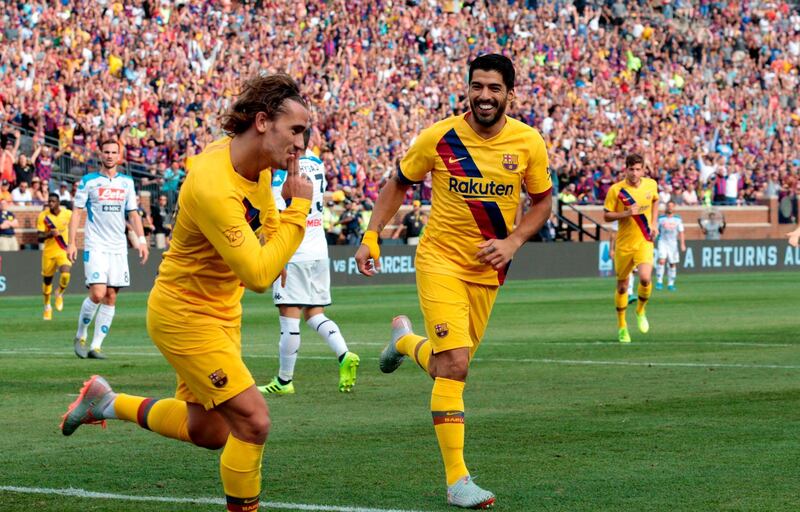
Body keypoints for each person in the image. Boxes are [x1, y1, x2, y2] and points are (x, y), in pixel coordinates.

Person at [60, 73, 313, 512]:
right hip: (185, 315)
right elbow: (256, 274)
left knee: (209, 432)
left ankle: (106, 401)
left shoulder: (254, 166)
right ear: (261, 122)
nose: (302, 144)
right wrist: (301, 210)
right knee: (254, 420)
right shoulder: (214, 183)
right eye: (295, 130)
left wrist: (281, 237)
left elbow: (266, 216)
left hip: (220, 312)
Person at [355, 54, 552, 509]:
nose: (484, 96)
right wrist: (371, 236)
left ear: (509, 94)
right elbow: (398, 183)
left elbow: (543, 202)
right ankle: (457, 480)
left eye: (494, 88)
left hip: (489, 270)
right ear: (467, 88)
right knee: (457, 367)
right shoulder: (439, 137)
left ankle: (404, 341)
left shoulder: (527, 142)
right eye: (477, 86)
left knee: (447, 368)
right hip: (440, 261)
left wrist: (514, 241)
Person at [259, 129, 360, 395]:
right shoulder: (316, 162)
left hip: (294, 252)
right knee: (314, 313)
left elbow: (278, 216)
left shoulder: (283, 173)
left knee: (289, 319)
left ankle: (284, 381)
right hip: (318, 249)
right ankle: (344, 354)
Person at [66, 139, 150, 360]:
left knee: (111, 296)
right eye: (106, 152)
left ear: (119, 156)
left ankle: (96, 346)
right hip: (95, 245)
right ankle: (81, 335)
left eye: (114, 152)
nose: (110, 155)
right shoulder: (89, 182)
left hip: (118, 247)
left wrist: (141, 240)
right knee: (98, 293)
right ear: (100, 154)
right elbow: (76, 212)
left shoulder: (127, 183)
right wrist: (72, 241)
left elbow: (133, 213)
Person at [603, 153, 659, 343]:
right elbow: (606, 216)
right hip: (624, 244)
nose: (634, 173)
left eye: (638, 169)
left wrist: (654, 223)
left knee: (645, 278)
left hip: (644, 240)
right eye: (631, 169)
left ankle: (640, 310)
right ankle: (622, 326)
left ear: (643, 169)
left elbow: (655, 201)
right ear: (625, 169)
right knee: (622, 287)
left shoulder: (651, 185)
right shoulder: (616, 190)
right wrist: (626, 213)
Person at [37, 193, 73, 320]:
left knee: (65, 274)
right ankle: (47, 306)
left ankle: (60, 293)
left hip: (62, 250)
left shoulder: (67, 214)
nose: (51, 204)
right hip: (49, 253)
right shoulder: (43, 216)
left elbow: (74, 226)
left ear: (58, 203)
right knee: (47, 282)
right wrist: (49, 235)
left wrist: (72, 244)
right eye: (49, 202)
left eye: (53, 201)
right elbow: (39, 237)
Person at [655, 200, 686, 291]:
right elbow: (656, 230)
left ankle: (670, 284)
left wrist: (682, 244)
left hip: (673, 243)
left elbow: (681, 232)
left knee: (672, 263)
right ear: (666, 207)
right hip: (662, 241)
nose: (670, 208)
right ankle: (659, 282)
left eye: (672, 206)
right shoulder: (661, 218)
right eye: (668, 206)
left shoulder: (678, 219)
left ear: (674, 207)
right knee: (661, 261)